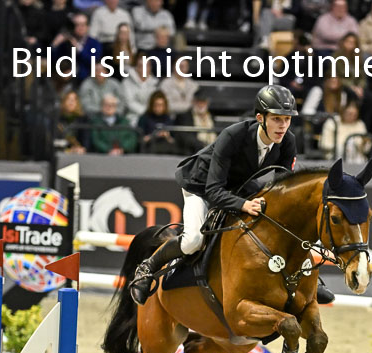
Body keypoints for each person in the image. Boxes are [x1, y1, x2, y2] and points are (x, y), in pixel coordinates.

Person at [129, 86, 302, 305]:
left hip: (238, 185)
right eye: (277, 119)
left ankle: (305, 280)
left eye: (287, 119)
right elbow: (213, 190)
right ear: (260, 118)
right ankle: (147, 268)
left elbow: (283, 187)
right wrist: (244, 205)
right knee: (193, 241)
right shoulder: (233, 135)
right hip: (200, 184)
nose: (283, 126)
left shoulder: (287, 141)